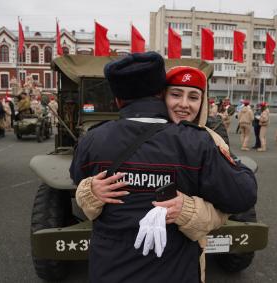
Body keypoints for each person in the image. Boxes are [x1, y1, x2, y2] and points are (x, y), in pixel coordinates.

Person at [70, 52, 257, 283]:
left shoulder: (93, 139)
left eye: (193, 97)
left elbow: (76, 177)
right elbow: (243, 196)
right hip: (175, 271)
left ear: (118, 100)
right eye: (176, 94)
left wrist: (90, 188)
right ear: (161, 93)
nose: (183, 104)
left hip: (109, 270)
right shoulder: (197, 142)